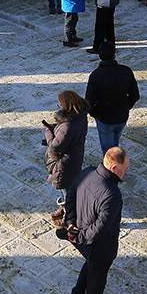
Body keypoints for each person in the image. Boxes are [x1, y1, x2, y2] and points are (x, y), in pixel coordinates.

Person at [62, 146, 128, 294]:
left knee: (90, 264)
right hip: (99, 245)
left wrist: (71, 225)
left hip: (81, 237)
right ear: (114, 168)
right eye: (125, 169)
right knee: (98, 278)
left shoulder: (87, 172)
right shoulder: (112, 194)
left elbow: (71, 197)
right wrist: (81, 236)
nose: (126, 173)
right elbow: (101, 228)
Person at [43, 89, 89, 235]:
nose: (59, 106)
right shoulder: (81, 116)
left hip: (65, 163)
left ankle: (69, 218)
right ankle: (66, 209)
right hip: (76, 157)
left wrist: (48, 132)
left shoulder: (67, 126)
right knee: (70, 186)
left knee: (66, 189)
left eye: (60, 104)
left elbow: (54, 147)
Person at [85, 45, 139, 152]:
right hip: (122, 114)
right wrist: (126, 106)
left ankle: (111, 167)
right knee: (115, 141)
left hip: (104, 118)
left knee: (108, 150)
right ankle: (116, 162)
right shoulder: (126, 71)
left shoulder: (96, 75)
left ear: (100, 57)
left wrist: (94, 113)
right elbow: (135, 95)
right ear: (114, 55)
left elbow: (89, 101)